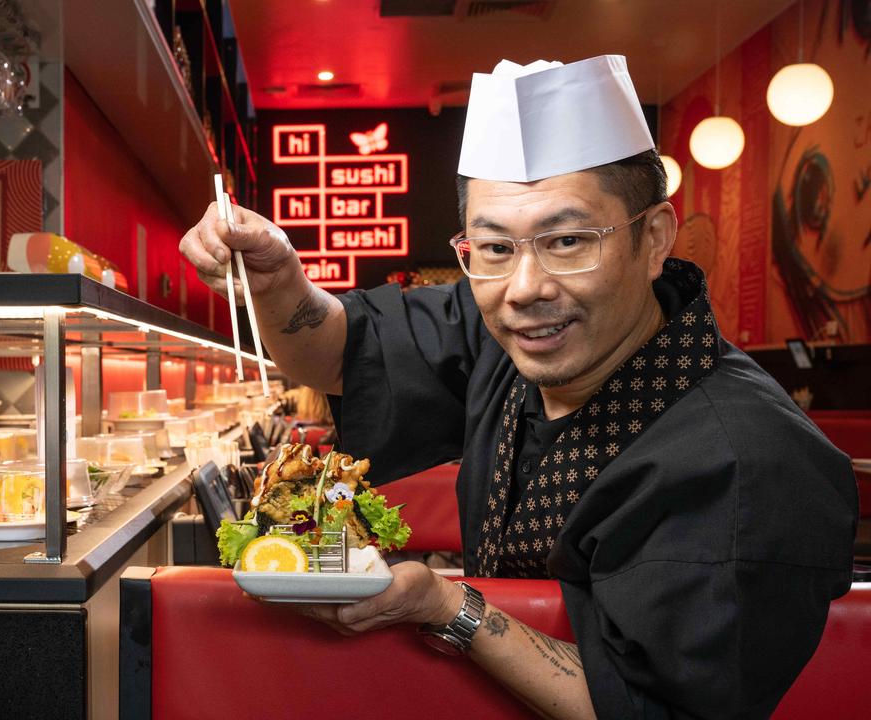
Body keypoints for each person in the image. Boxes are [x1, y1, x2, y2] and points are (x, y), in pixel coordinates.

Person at [180, 55, 856, 719]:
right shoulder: (500, 336)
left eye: (567, 241)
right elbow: (337, 354)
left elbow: (655, 707)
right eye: (496, 248)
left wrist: (446, 605)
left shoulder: (747, 462)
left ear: (654, 239)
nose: (527, 289)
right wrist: (276, 284)